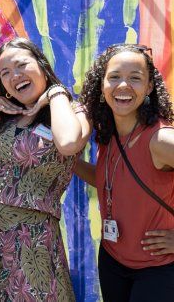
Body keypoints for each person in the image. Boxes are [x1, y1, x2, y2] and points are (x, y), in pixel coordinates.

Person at [0, 37, 91, 301]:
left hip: (31, 236)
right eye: (4, 73)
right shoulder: (7, 115)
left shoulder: (75, 111)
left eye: (21, 66)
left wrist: (55, 93)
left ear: (42, 66)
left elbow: (67, 143)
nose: (14, 76)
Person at [75, 43, 174, 301]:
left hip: (159, 268)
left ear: (150, 87)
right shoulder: (108, 133)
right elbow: (110, 181)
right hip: (113, 261)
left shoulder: (161, 140)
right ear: (102, 85)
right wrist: (69, 162)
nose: (123, 85)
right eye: (115, 77)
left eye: (135, 78)